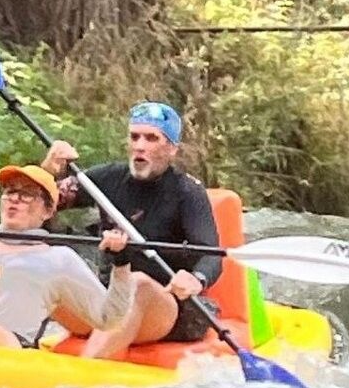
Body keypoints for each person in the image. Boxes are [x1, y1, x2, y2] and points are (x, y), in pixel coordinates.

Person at [40, 101, 222, 359]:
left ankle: (86, 375)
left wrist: (197, 279)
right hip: (108, 299)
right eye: (135, 137)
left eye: (151, 138)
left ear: (171, 149)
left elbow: (211, 253)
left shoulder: (187, 192)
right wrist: (48, 171)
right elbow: (40, 206)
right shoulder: (106, 179)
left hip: (170, 307)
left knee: (136, 284)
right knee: (47, 265)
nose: (140, 146)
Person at [0, 164, 135, 349]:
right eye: (10, 191)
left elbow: (110, 318)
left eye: (26, 194)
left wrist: (121, 262)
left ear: (48, 211)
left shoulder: (59, 259)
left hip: (10, 344)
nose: (15, 198)